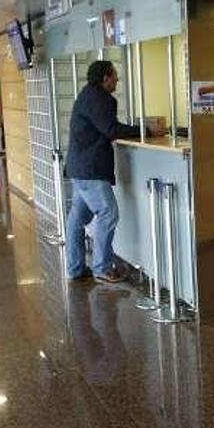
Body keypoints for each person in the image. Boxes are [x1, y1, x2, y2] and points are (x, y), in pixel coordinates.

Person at [64, 60, 149, 283]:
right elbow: (111, 129)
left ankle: (75, 268)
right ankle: (102, 267)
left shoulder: (86, 94)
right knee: (108, 213)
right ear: (105, 77)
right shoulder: (101, 98)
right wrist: (146, 130)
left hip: (78, 167)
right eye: (115, 76)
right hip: (90, 170)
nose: (117, 80)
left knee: (77, 218)